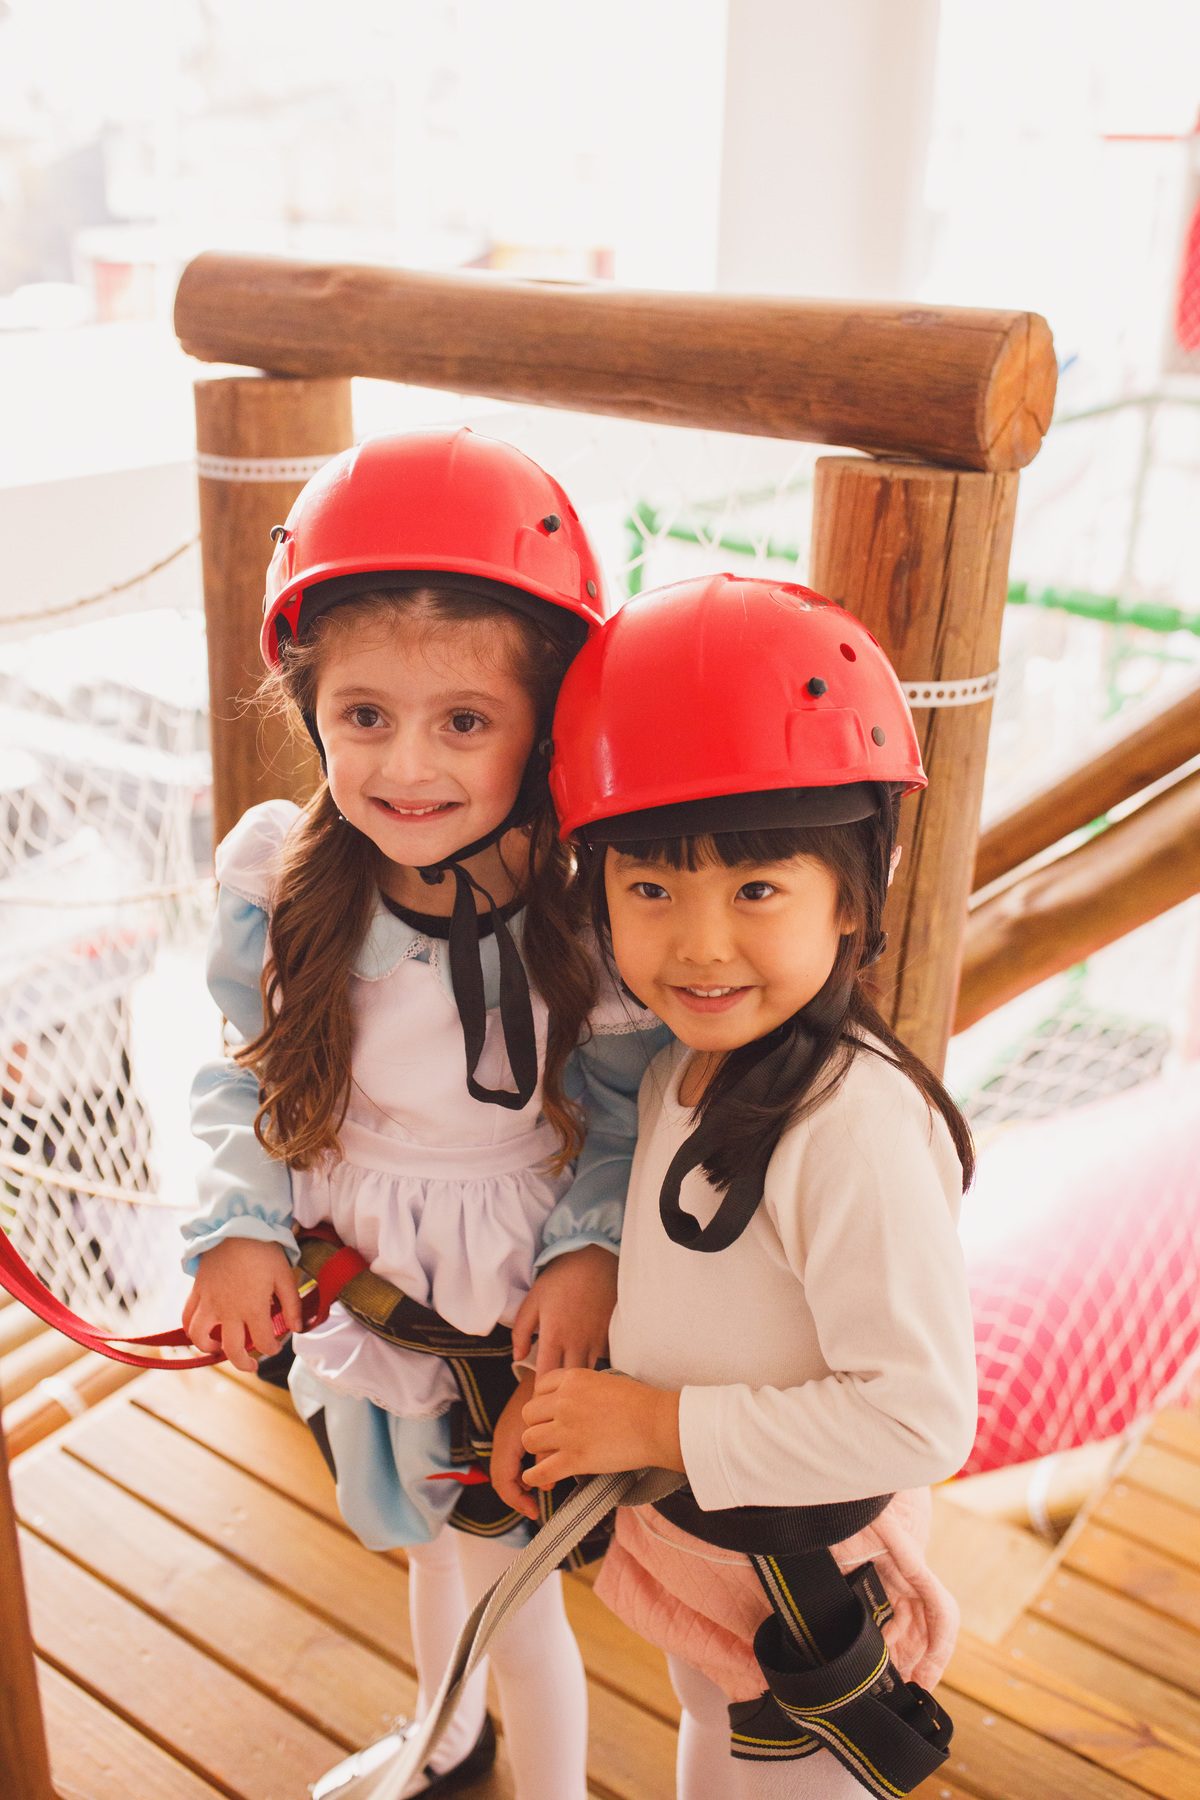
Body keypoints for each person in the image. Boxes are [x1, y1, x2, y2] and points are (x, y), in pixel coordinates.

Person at [181, 428, 668, 1800]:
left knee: (515, 1581)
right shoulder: (285, 881)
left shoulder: (586, 902)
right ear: (311, 705)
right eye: (364, 716)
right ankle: (446, 1742)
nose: (410, 763)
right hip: (371, 1286)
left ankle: (547, 1786)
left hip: (516, 1299)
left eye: (465, 720)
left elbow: (625, 1112)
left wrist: (585, 1257)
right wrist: (239, 1226)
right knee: (429, 1545)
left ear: (545, 719)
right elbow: (248, 1072)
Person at [511, 573, 978, 1800]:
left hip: (807, 1591)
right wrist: (582, 1418)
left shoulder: (850, 1126)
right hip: (721, 1555)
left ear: (852, 898)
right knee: (711, 1751)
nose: (701, 944)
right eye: (651, 890)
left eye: (757, 889)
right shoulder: (682, 1065)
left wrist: (653, 1426)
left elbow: (919, 1418)